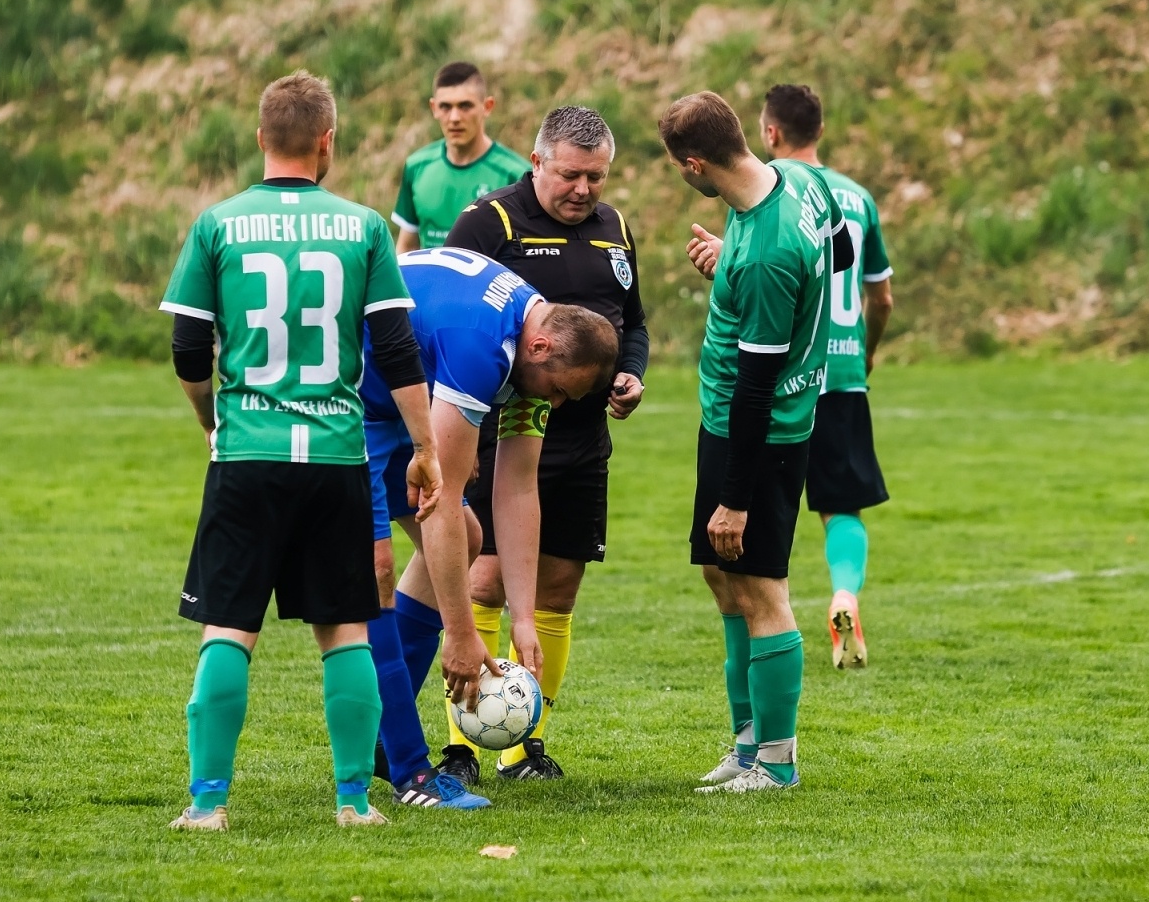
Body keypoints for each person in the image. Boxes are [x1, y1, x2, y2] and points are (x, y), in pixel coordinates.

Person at [160, 72, 445, 832]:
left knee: (229, 629)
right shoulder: (362, 228)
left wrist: (208, 417)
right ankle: (353, 800)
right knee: (345, 629)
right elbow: (396, 347)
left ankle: (208, 804)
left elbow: (189, 344)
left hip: (247, 453)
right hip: (336, 457)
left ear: (261, 139)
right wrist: (424, 446)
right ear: (329, 143)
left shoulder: (218, 223)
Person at [360, 246, 618, 807]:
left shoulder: (536, 344)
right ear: (542, 347)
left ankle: (380, 739)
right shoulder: (484, 345)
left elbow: (519, 486)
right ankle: (403, 765)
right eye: (556, 390)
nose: (552, 401)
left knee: (471, 540)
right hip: (351, 403)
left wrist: (523, 618)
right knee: (380, 574)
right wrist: (460, 634)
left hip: (398, 401)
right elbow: (442, 499)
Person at [438, 105, 648, 782]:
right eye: (570, 175)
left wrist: (629, 372)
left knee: (558, 588)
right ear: (537, 163)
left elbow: (632, 321)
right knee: (486, 576)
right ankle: (462, 743)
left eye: (597, 177)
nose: (584, 189)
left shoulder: (615, 229)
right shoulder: (489, 223)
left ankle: (524, 739)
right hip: (495, 430)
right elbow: (453, 321)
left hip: (581, 441)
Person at [658, 90, 852, 794]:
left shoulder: (767, 255)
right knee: (721, 575)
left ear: (693, 162)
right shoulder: (795, 181)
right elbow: (840, 252)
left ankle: (776, 760)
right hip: (729, 423)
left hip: (760, 433)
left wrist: (735, 500)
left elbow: (757, 384)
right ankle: (746, 747)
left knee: (761, 586)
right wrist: (729, 264)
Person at [688, 85, 894, 669]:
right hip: (841, 368)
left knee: (750, 567)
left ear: (771, 134)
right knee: (841, 508)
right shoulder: (845, 194)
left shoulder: (766, 198)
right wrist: (868, 352)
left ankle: (767, 748)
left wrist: (738, 266)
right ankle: (844, 592)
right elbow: (876, 294)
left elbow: (773, 275)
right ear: (821, 130)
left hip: (774, 381)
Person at [392, 61, 528, 253]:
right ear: (434, 108)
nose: (455, 117)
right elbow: (407, 247)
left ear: (487, 106)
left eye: (465, 106)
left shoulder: (517, 175)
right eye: (445, 107)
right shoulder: (417, 166)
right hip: (431, 282)